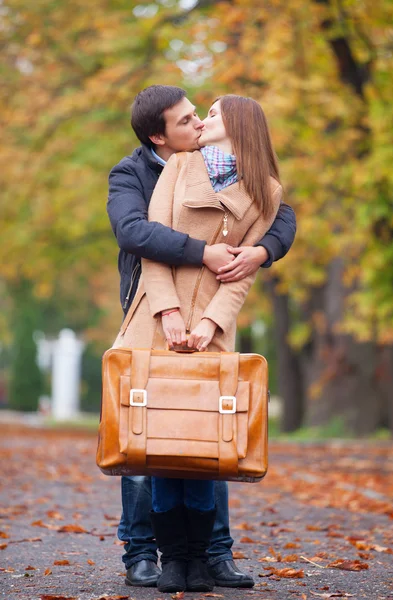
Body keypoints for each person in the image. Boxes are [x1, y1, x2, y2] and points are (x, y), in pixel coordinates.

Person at [107, 85, 296, 589]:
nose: (197, 123)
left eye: (205, 115)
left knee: (207, 443)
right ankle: (147, 554)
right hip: (155, 315)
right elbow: (139, 235)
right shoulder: (150, 171)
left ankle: (213, 555)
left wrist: (259, 254)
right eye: (188, 119)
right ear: (159, 136)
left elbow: (279, 221)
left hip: (212, 326)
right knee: (147, 442)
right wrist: (175, 303)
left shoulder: (263, 188)